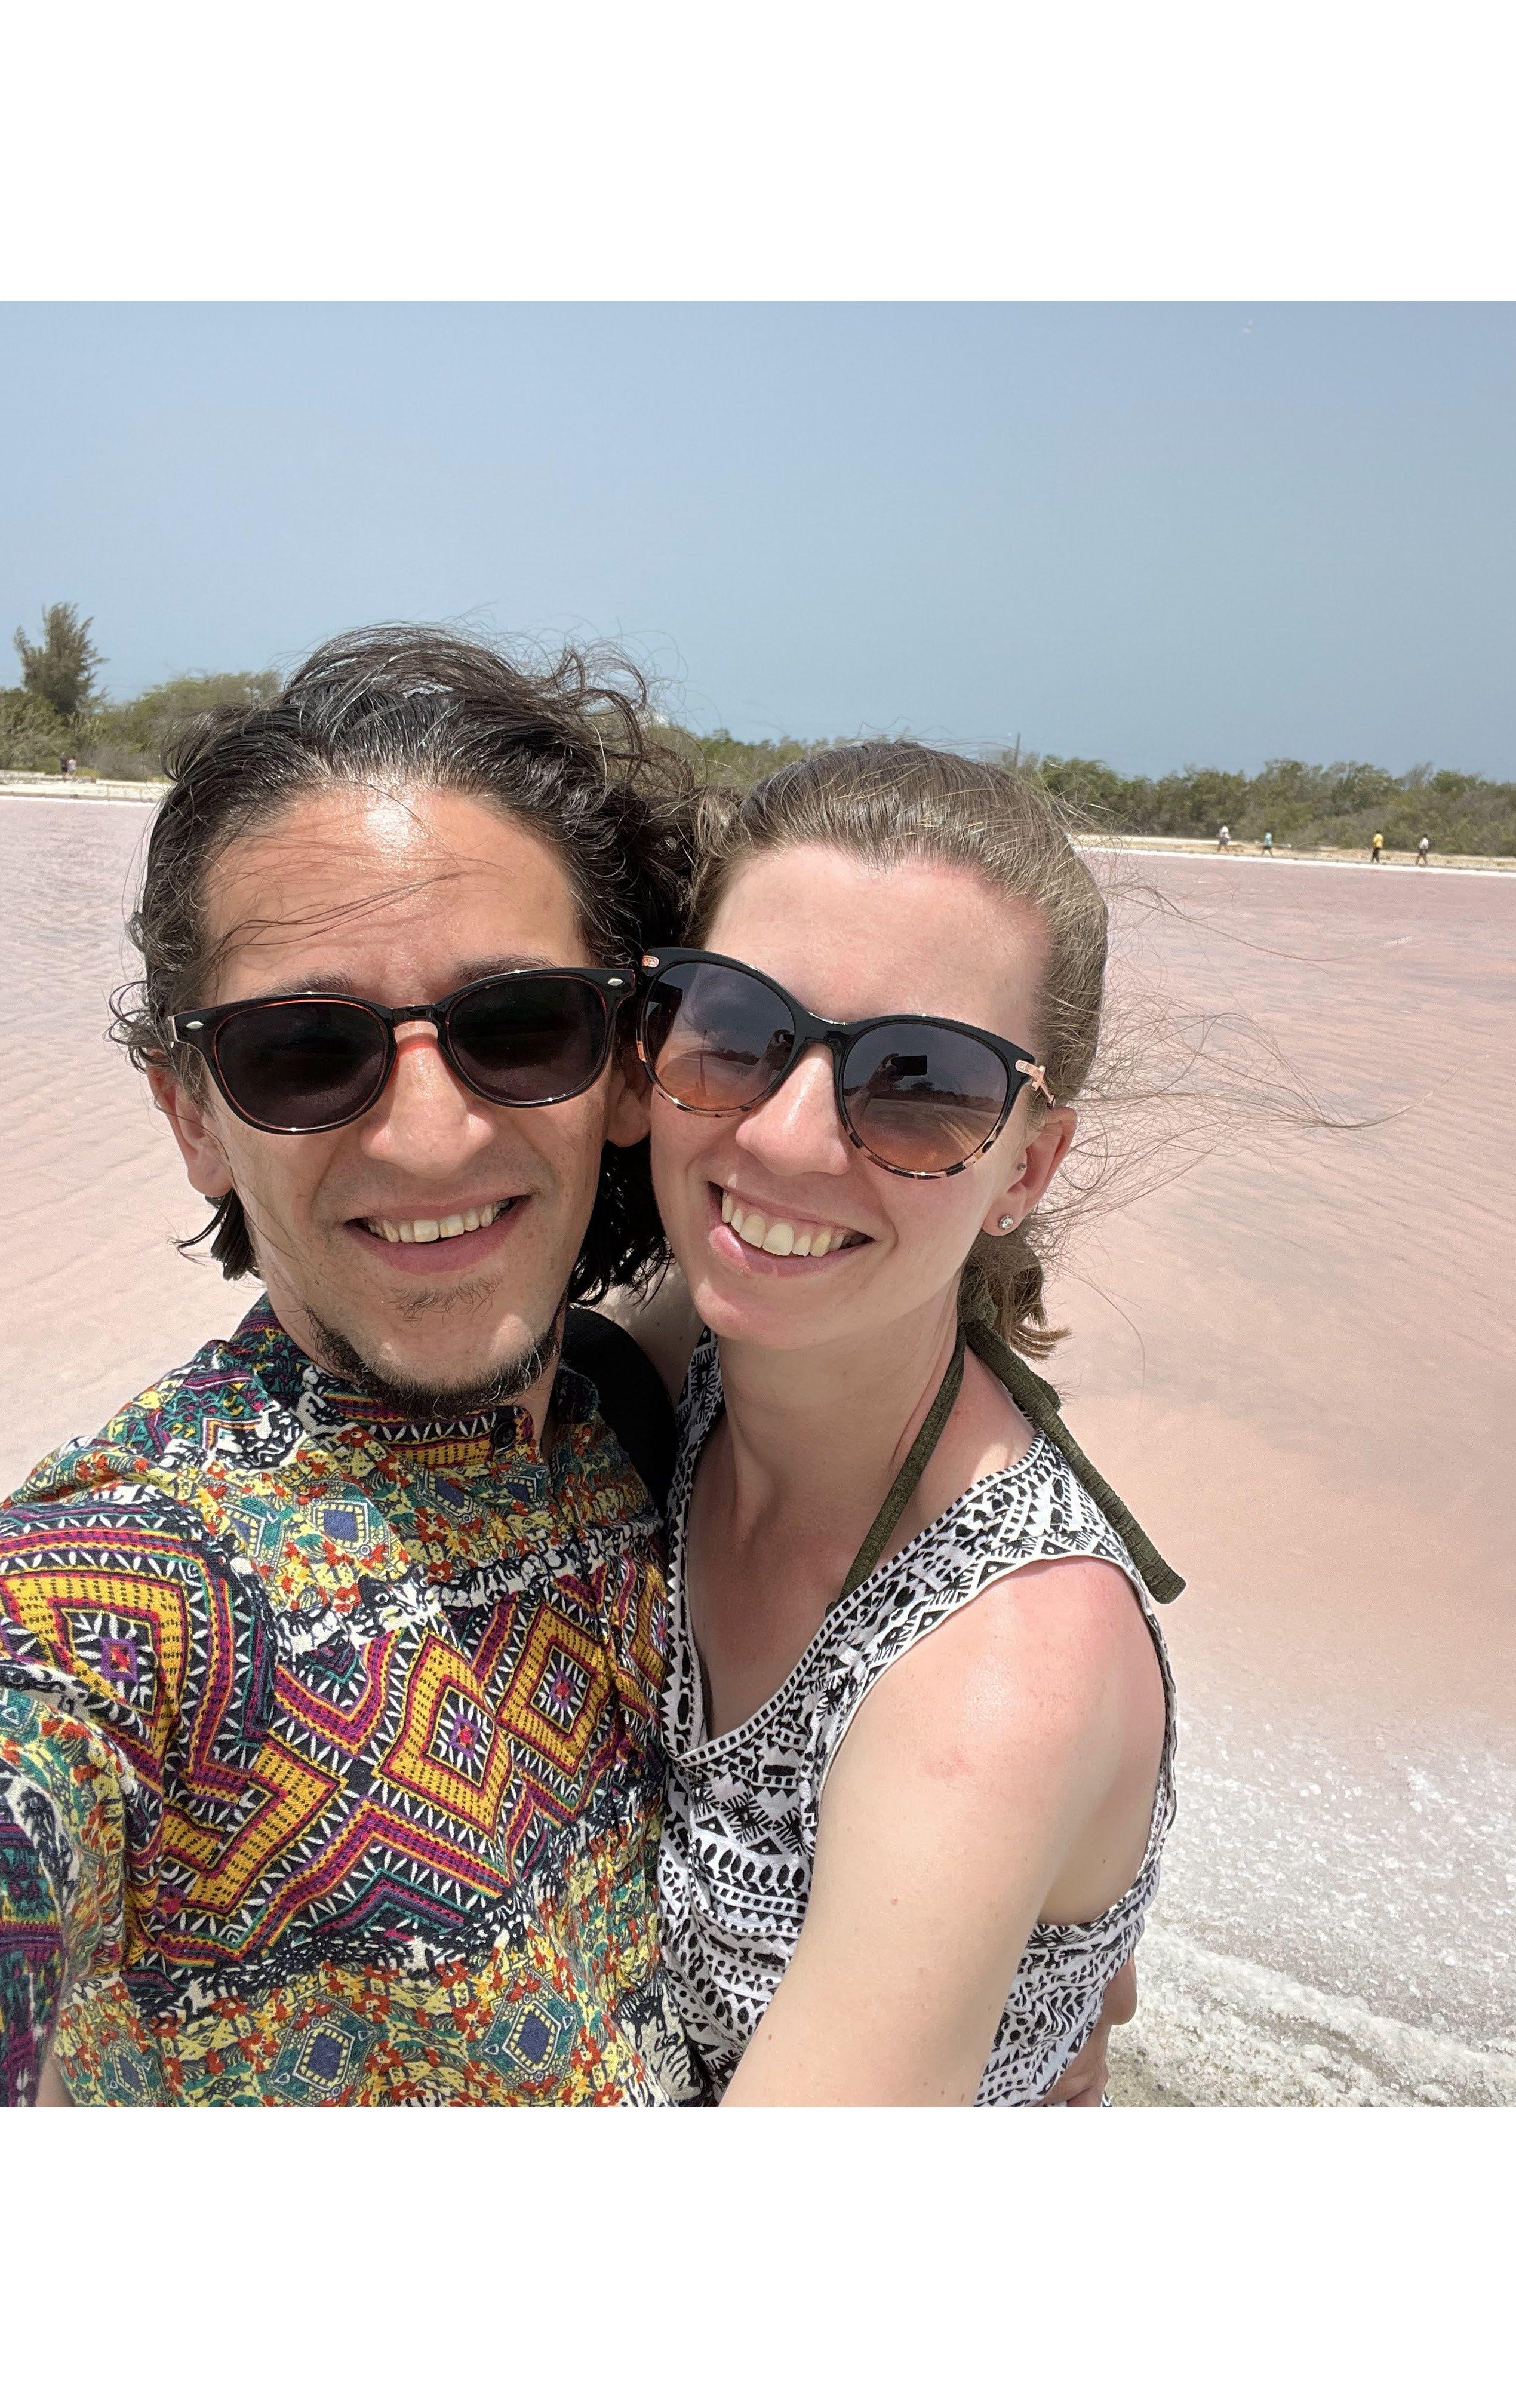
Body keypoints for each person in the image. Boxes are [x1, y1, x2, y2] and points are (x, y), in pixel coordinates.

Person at [0, 627, 708, 2106]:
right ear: (194, 1117)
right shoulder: (145, 1586)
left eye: (519, 1025)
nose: (426, 1133)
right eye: (303, 1050)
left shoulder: (646, 1425)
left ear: (632, 1064)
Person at [634, 744, 1179, 2104]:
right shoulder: (674, 1362)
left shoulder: (999, 1672)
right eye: (738, 1028)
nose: (789, 1138)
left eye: (920, 1080)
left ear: (1025, 1166)